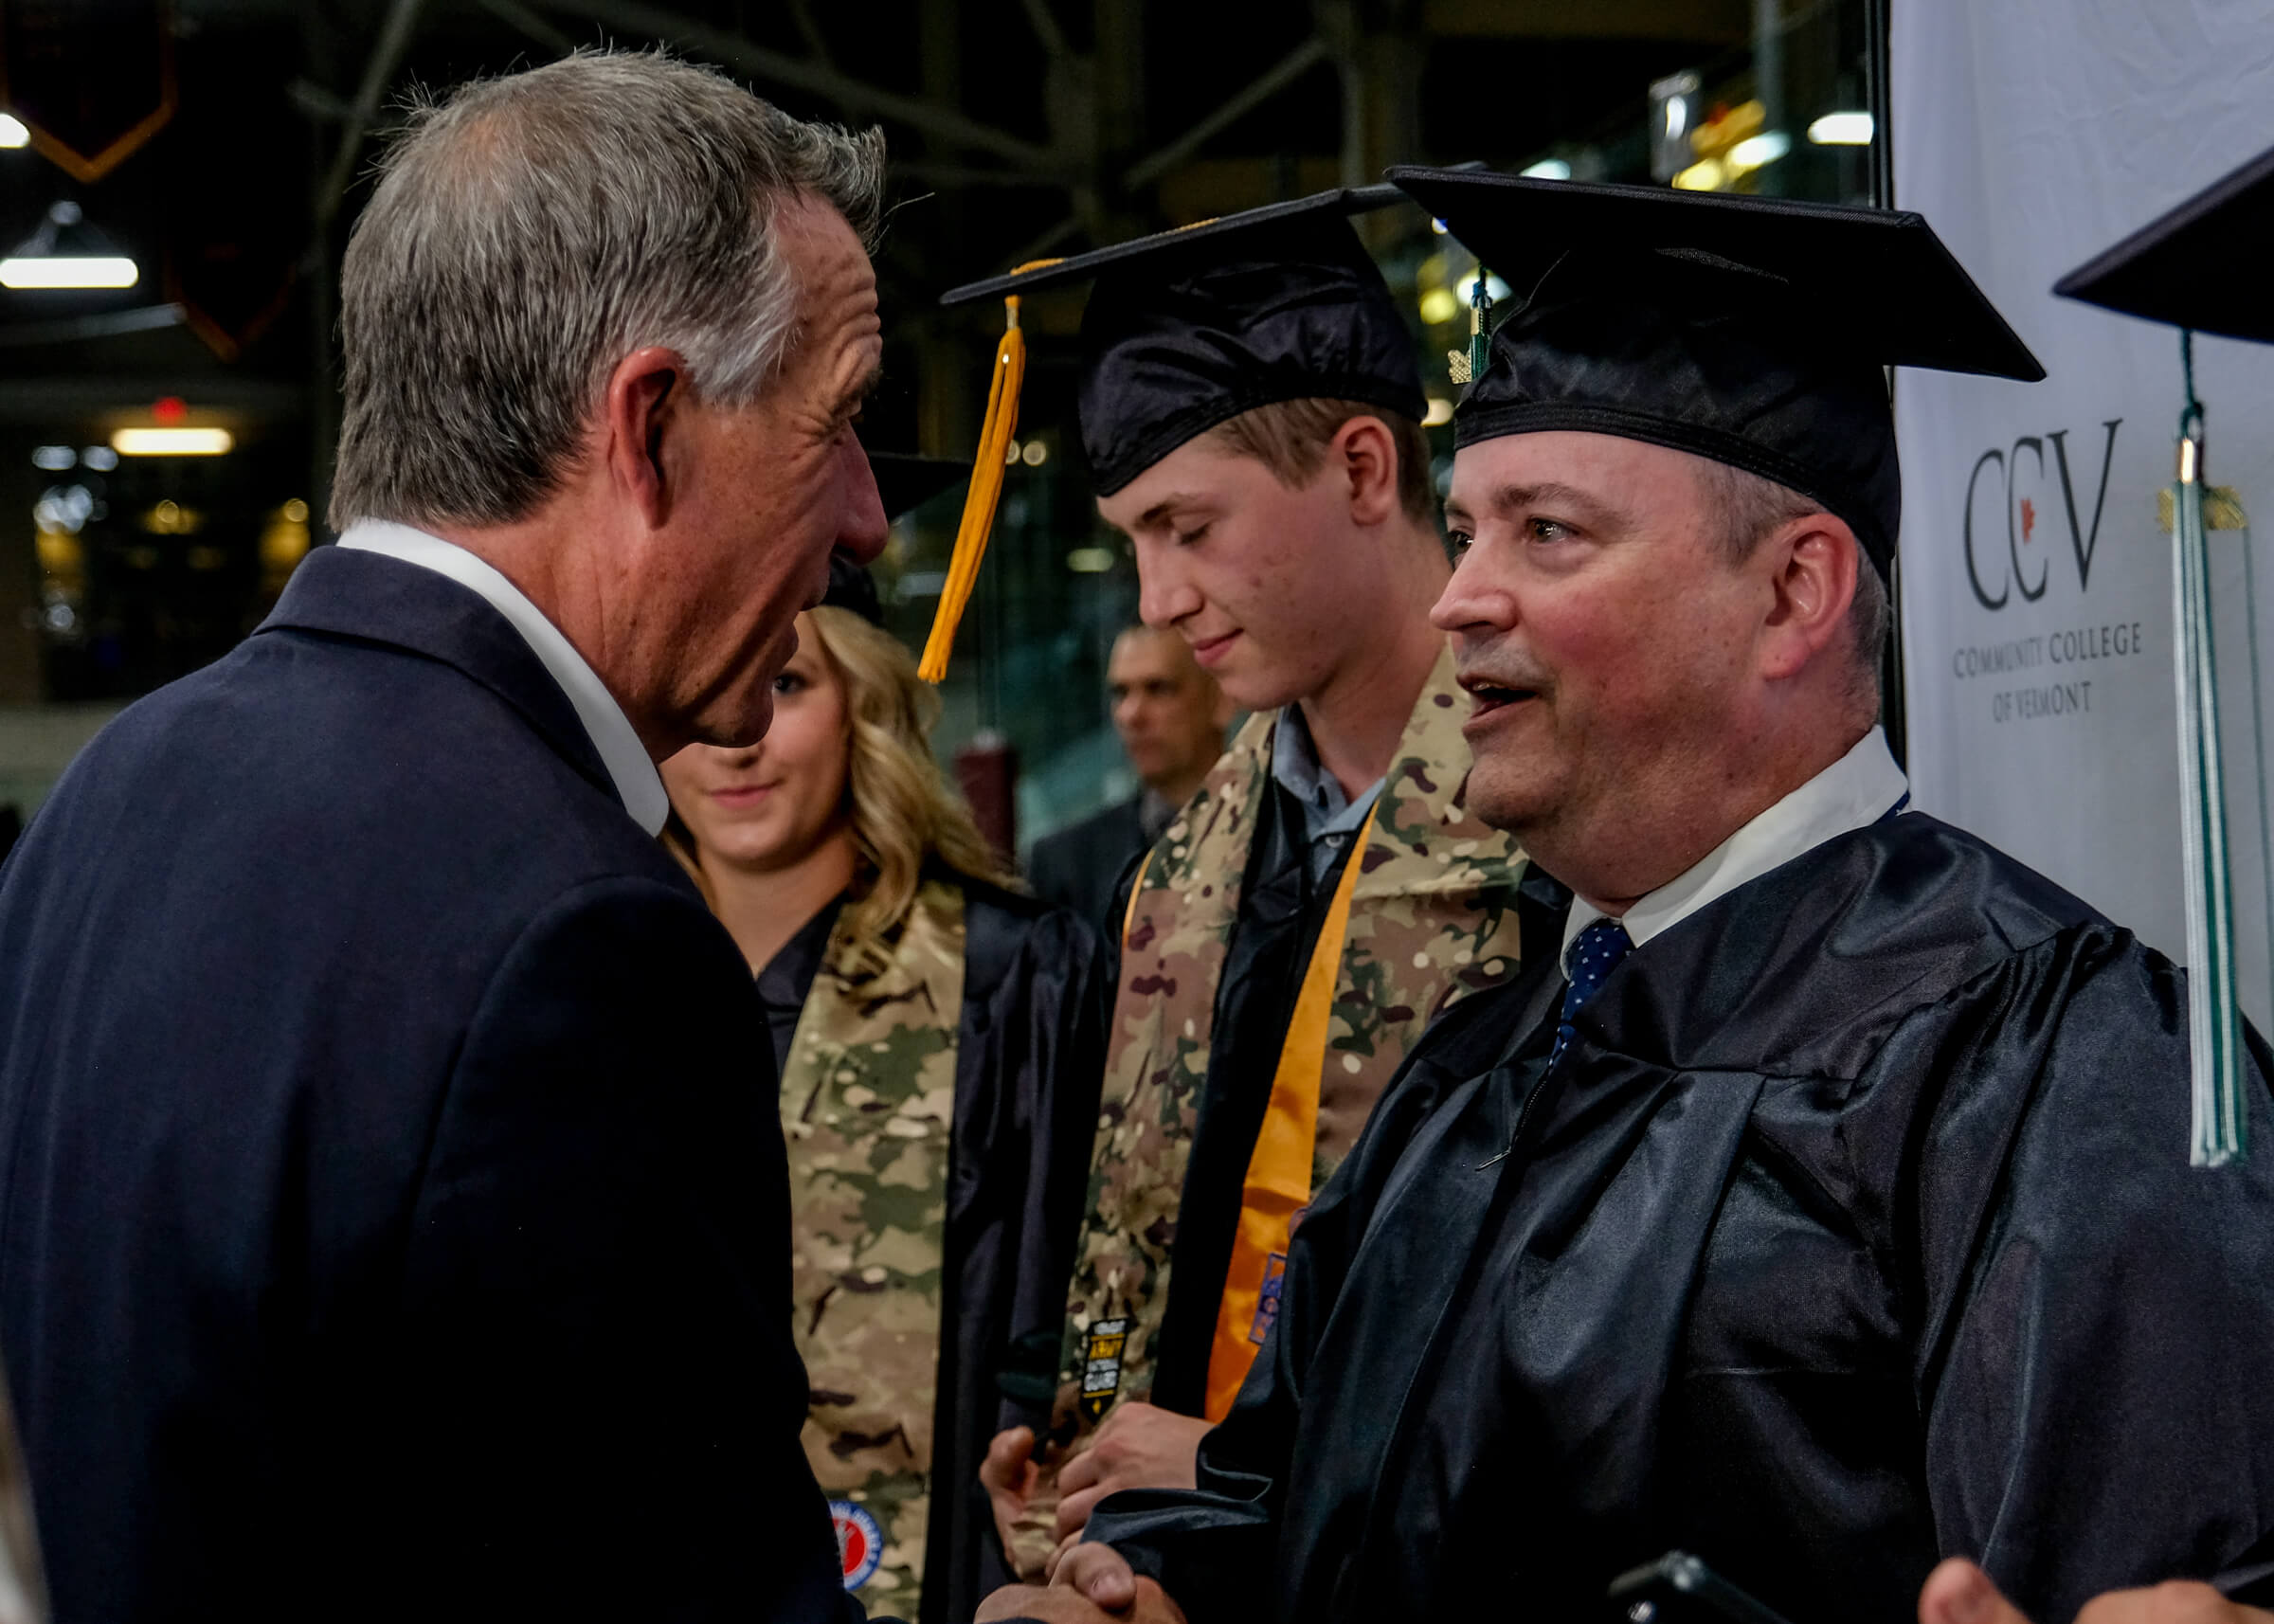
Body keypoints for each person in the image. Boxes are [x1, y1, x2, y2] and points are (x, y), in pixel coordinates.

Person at [987, 171, 2274, 1624]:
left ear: (1796, 593)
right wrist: (1148, 1588)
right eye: (1465, 528)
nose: (1455, 596)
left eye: (1545, 532)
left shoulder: (2042, 1065)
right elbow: (1291, 1501)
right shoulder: (1477, 1055)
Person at [0, 52, 901, 1623]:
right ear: (651, 426)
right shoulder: (577, 933)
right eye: (839, 422)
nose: (870, 515)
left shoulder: (111, 796)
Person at [939, 188, 1543, 1577]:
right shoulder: (1180, 872)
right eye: (1134, 537)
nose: (1152, 597)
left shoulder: (1557, 856)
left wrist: (1237, 1463)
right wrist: (1061, 1403)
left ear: (1363, 468)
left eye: (1187, 527)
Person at [659, 554, 1110, 1624]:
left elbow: (1066, 1318)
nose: (737, 737)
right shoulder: (597, 991)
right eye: (700, 688)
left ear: (867, 704)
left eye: (785, 681)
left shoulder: (1015, 983)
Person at [1027, 624, 1231, 933]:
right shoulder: (1066, 866)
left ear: (1221, 699)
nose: (1130, 714)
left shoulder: (1285, 837)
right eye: (1120, 693)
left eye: (1159, 688)